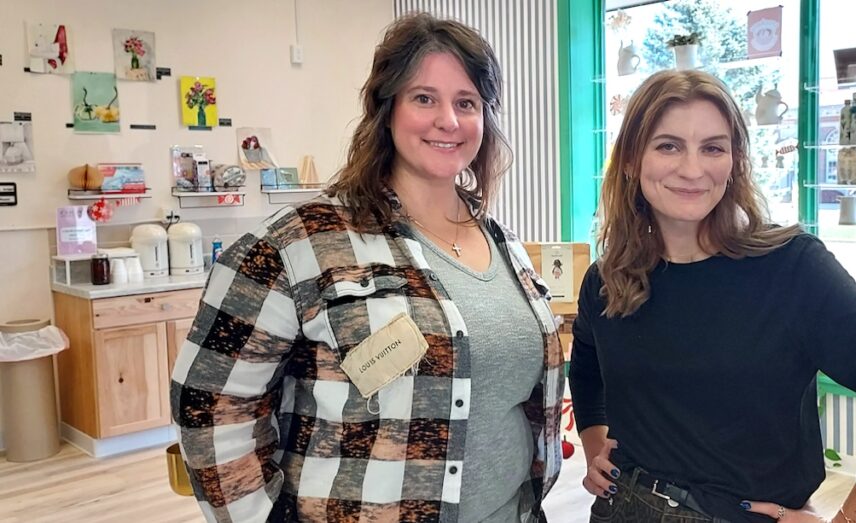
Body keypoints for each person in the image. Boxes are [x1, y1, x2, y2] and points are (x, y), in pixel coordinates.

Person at [171, 13, 564, 523]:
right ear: (387, 109)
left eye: (466, 102)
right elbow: (208, 405)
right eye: (424, 98)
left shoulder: (503, 243)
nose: (448, 119)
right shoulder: (300, 243)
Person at [568, 70, 856, 523]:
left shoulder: (791, 269)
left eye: (713, 147)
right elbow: (588, 370)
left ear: (735, 161)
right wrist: (596, 447)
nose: (693, 169)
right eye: (668, 145)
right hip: (624, 508)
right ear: (633, 159)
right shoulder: (608, 279)